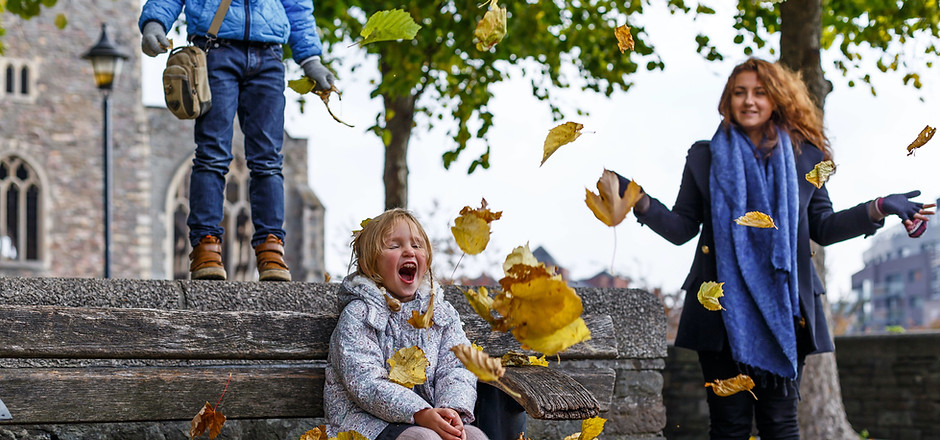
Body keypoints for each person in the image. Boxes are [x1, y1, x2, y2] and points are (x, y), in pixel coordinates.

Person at [617, 58, 934, 439]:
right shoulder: (704, 156)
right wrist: (636, 198)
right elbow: (682, 228)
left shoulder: (809, 157)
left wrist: (879, 206)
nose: (749, 101)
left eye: (759, 92)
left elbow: (823, 225)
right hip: (720, 311)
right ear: (728, 100)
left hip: (787, 310)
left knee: (780, 424)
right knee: (728, 426)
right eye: (739, 93)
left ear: (776, 99)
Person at [138, 0, 336, 281]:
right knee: (212, 154)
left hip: (269, 56)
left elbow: (297, 5)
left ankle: (271, 248)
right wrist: (154, 22)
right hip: (215, 49)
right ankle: (206, 245)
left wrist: (310, 58)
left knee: (268, 159)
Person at [324, 208, 489, 440]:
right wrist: (420, 412)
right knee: (424, 439)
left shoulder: (440, 313)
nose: (409, 251)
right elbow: (365, 382)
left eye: (417, 245)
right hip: (365, 423)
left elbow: (457, 368)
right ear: (370, 264)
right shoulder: (360, 314)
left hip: (430, 416)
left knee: (473, 436)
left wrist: (451, 410)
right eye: (394, 246)